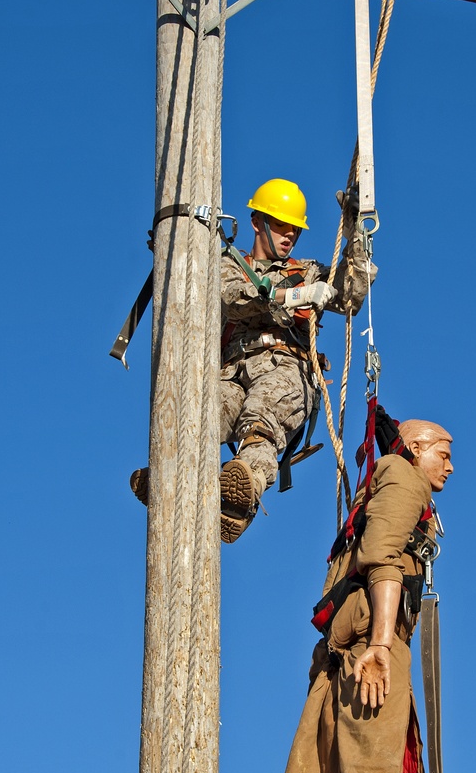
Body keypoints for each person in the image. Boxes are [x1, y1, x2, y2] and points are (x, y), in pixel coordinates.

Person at [264, 418, 453, 773]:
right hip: (374, 650)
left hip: (354, 653)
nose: (449, 465)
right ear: (415, 449)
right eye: (443, 452)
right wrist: (378, 646)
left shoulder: (385, 482)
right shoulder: (402, 477)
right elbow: (381, 556)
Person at [131, 178, 374, 542]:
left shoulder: (307, 270)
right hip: (232, 370)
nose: (290, 235)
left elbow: (352, 293)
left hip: (286, 368)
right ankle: (181, 479)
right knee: (198, 416)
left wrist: (356, 227)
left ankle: (245, 486)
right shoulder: (228, 265)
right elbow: (232, 297)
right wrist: (292, 296)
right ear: (257, 222)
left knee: (260, 418)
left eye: (295, 229)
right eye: (280, 225)